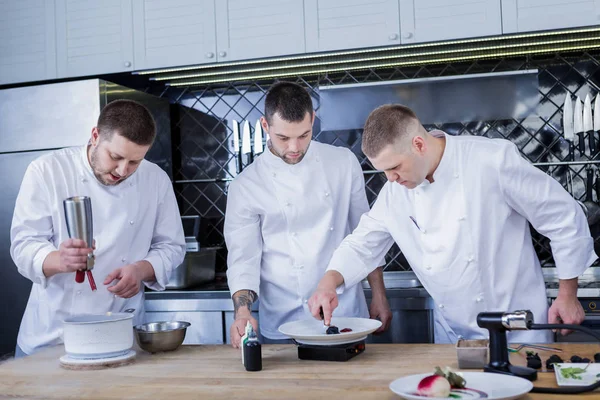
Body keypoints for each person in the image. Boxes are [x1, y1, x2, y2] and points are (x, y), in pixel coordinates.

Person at [308, 104, 597, 344]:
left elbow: (561, 215)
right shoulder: (395, 192)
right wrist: (328, 282)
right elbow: (362, 244)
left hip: (519, 332)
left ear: (418, 144)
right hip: (454, 339)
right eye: (384, 172)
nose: (390, 179)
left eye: (394, 167)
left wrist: (567, 293)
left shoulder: (490, 160)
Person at [10, 99, 186, 357]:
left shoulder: (155, 179)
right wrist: (59, 259)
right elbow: (23, 245)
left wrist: (140, 270)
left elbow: (171, 246)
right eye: (115, 157)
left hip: (121, 335)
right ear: (95, 136)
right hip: (52, 339)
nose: (123, 170)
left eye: (134, 162)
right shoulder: (48, 170)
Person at [224, 82, 391, 347]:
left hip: (345, 311)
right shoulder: (246, 185)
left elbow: (365, 235)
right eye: (283, 138)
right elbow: (244, 258)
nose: (294, 147)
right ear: (265, 126)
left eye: (303, 135)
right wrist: (242, 311)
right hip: (284, 317)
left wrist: (379, 294)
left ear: (313, 119)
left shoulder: (343, 163)